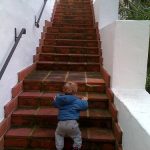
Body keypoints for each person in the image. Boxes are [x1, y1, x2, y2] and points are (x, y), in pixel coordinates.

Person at [52, 81, 88, 150]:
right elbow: (84, 107)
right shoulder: (77, 101)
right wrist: (84, 101)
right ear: (75, 91)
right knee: (77, 135)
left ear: (63, 90)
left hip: (61, 124)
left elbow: (55, 104)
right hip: (72, 124)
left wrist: (55, 100)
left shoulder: (60, 100)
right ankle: (76, 147)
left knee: (58, 134)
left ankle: (59, 147)